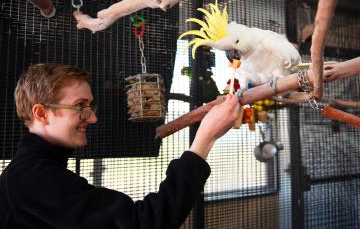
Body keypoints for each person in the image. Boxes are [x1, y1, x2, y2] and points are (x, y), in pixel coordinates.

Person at [0, 63, 240, 229]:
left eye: (90, 106)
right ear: (41, 113)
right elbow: (143, 223)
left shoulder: (32, 172)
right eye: (80, 105)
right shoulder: (33, 179)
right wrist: (204, 139)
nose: (92, 118)